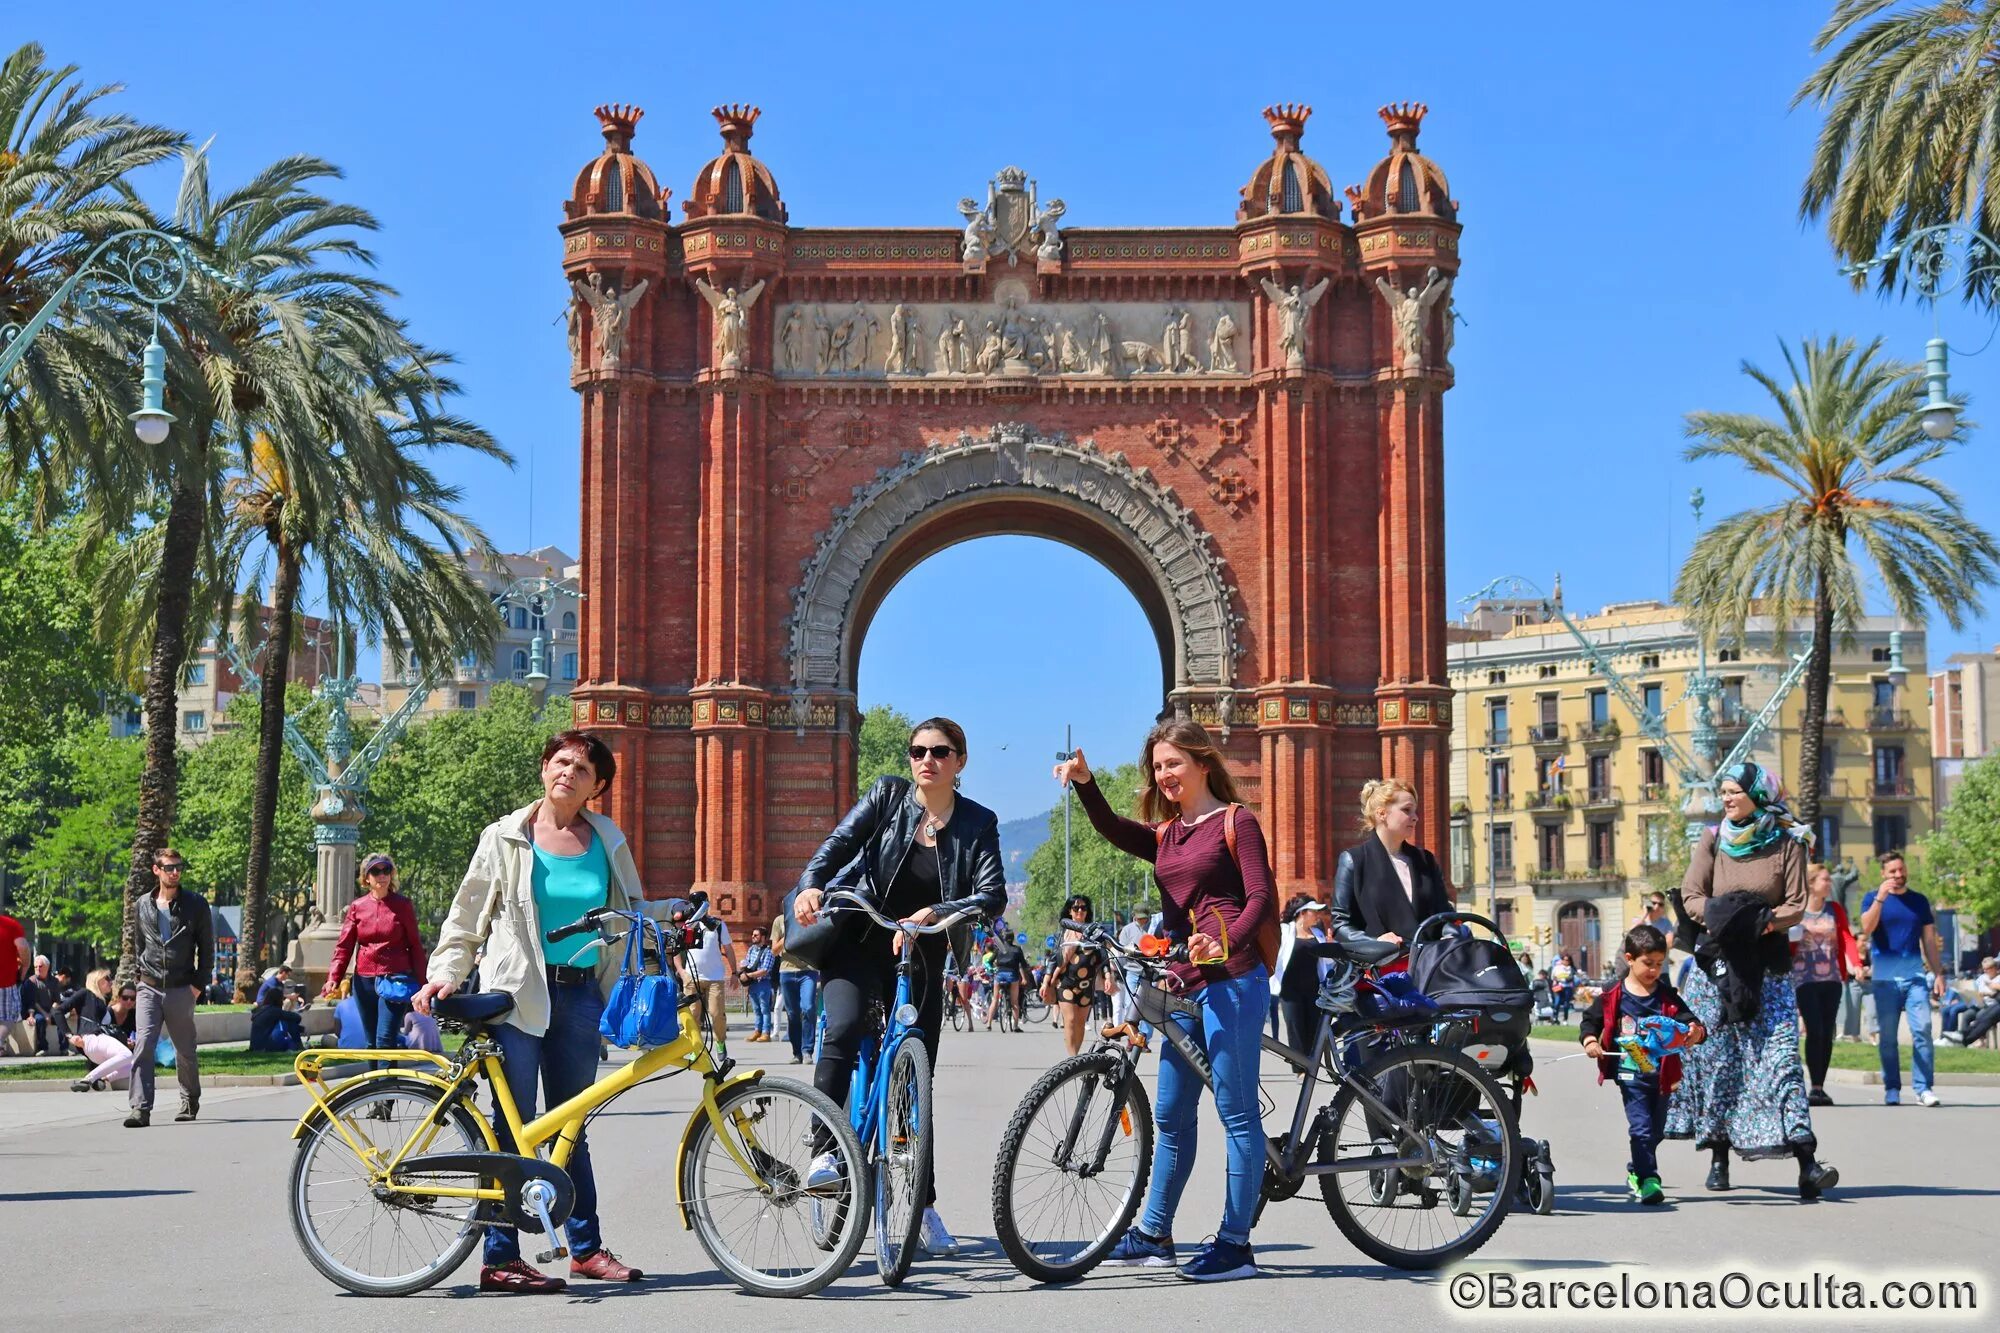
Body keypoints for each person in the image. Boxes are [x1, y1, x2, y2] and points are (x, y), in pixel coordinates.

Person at [413, 729, 652, 1294]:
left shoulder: (608, 840)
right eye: (561, 762)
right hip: (518, 994)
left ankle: (585, 1250)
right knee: (511, 1126)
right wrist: (445, 972)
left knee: (571, 1126)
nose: (569, 772)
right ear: (545, 768)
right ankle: (500, 1258)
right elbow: (468, 912)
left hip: (580, 995)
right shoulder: (505, 836)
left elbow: (633, 916)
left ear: (598, 786)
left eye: (583, 769)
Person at [1059, 719, 1275, 1284]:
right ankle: (1155, 1233)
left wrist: (1226, 940)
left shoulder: (1236, 822)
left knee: (1236, 1114)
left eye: (1173, 763)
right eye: (1157, 766)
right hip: (1181, 982)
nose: (1164, 774)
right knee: (1173, 1116)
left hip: (1231, 977)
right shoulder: (1166, 834)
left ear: (1203, 762)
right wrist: (1085, 782)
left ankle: (1235, 1245)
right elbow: (1110, 826)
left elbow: (1260, 896)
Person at [791, 715, 1007, 1260]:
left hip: (922, 950)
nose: (925, 760)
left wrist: (938, 910)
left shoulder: (979, 823)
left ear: (960, 761)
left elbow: (992, 894)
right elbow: (840, 843)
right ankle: (824, 1153)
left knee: (917, 1075)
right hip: (861, 935)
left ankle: (921, 1205)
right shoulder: (888, 796)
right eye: (917, 751)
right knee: (840, 1029)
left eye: (939, 751)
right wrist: (813, 883)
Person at [1663, 762, 1837, 1200]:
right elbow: (1691, 895)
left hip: (1768, 967)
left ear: (1758, 793)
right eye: (1722, 791)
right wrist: (1727, 919)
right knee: (1719, 1061)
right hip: (1717, 968)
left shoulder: (1788, 840)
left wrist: (1757, 924)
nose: (1726, 798)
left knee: (1781, 1062)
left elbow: (1796, 904)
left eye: (1734, 791)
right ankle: (1718, 1154)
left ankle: (1807, 1162)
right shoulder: (1713, 838)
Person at [1579, 924, 1705, 1205]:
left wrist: (1695, 1031)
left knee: (1656, 1130)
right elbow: (1590, 1021)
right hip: (1630, 1073)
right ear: (1630, 958)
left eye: (1660, 964)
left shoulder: (1666, 995)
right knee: (1641, 1128)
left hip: (1663, 1074)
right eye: (1648, 963)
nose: (1654, 970)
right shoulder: (1614, 994)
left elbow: (1691, 1021)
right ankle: (1649, 1180)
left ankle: (1636, 1170)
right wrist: (1590, 1041)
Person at [126, 847, 212, 1128]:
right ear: (156, 870)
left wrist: (197, 985)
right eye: (169, 868)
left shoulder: (196, 904)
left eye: (179, 867)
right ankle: (140, 1108)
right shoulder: (142, 905)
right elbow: (138, 944)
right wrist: (138, 977)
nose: (175, 872)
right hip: (148, 986)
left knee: (184, 1049)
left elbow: (207, 949)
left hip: (181, 987)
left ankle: (189, 1099)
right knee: (144, 1045)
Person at [322, 853, 428, 1073]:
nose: (382, 876)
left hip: (395, 980)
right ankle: (374, 1095)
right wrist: (334, 977)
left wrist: (424, 984)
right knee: (371, 1043)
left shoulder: (402, 905)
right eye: (376, 871)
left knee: (385, 1039)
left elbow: (416, 946)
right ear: (366, 878)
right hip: (364, 981)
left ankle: (386, 1101)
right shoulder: (357, 907)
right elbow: (344, 946)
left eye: (386, 870)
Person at [1859, 850, 1946, 1107]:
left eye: (1901, 870)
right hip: (1884, 980)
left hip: (1915, 978)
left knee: (1923, 1029)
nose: (1898, 875)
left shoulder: (1919, 901)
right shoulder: (1871, 898)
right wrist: (1880, 899)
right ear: (1883, 874)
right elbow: (1866, 928)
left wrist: (1938, 972)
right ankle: (1892, 1087)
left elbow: (1929, 940)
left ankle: (1923, 1088)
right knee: (1887, 1037)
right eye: (1893, 871)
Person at [1792, 864, 1858, 1106]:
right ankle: (1812, 1086)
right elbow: (1788, 944)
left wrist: (1855, 962)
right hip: (1804, 978)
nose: (1830, 884)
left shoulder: (1835, 909)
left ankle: (1819, 1087)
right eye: (1825, 880)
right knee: (1815, 1028)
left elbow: (1846, 937)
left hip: (1831, 979)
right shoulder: (1797, 911)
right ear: (1810, 883)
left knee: (1827, 1032)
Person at [1274, 894, 1340, 1055]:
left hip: (1314, 990)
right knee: (1295, 1027)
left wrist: (1332, 947)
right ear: (1302, 913)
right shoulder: (1285, 931)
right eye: (1313, 912)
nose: (1317, 915)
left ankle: (1311, 1064)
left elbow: (1328, 962)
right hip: (1290, 991)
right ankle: (1299, 1067)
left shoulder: (1318, 934)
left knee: (1314, 1028)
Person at [1053, 895, 1107, 1056]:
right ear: (1069, 911)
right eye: (1076, 908)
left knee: (1080, 1023)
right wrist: (1047, 980)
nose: (1080, 911)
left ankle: (1075, 1056)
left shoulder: (1094, 931)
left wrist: (1108, 976)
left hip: (1086, 985)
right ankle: (1072, 1058)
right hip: (1066, 983)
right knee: (1069, 1020)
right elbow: (1054, 959)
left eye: (1083, 908)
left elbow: (1103, 956)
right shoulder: (1063, 933)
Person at [683, 906, 738, 1057]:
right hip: (692, 977)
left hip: (715, 977)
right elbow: (676, 949)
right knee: (693, 1014)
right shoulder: (688, 925)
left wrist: (734, 972)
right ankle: (696, 1048)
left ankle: (720, 1041)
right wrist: (682, 973)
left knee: (716, 1013)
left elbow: (729, 949)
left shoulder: (718, 925)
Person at [68, 982, 139, 1092]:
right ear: (119, 998)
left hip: (116, 1054)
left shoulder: (133, 1015)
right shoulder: (108, 1012)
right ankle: (87, 1079)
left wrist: (131, 1042)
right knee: (126, 1054)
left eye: (132, 998)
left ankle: (103, 1079)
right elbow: (101, 1034)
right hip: (98, 1049)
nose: (129, 1001)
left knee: (137, 1064)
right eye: (125, 998)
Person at [771, 911, 818, 1065]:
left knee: (808, 1008)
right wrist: (790, 932)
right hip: (787, 972)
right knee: (792, 1014)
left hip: (808, 970)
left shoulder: (811, 917)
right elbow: (774, 950)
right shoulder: (779, 921)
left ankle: (807, 1051)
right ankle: (796, 1052)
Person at [53, 966, 112, 1054]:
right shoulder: (85, 993)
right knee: (124, 1055)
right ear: (97, 981)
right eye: (107, 978)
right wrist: (70, 1036)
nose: (111, 982)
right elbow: (58, 1011)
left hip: (101, 1039)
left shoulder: (103, 1000)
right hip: (90, 1038)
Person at [985, 924, 1028, 1030]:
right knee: (1014, 1002)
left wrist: (993, 969)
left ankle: (989, 1024)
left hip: (999, 975)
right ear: (1012, 938)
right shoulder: (1017, 950)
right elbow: (1023, 964)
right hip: (1012, 976)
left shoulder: (998, 949)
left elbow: (989, 961)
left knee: (995, 999)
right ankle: (1016, 1025)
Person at [740, 926, 776, 1043]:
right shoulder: (751, 949)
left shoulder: (768, 951)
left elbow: (765, 970)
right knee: (756, 1009)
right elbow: (748, 963)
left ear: (763, 937)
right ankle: (757, 1031)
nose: (753, 937)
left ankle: (766, 1033)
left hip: (763, 983)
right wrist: (742, 970)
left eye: (756, 935)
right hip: (753, 984)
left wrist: (749, 976)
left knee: (765, 1009)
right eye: (753, 935)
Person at [20, 955, 62, 1055]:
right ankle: (43, 1048)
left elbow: (57, 1000)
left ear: (47, 967)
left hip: (51, 1010)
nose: (38, 969)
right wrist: (45, 1015)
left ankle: (64, 1048)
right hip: (37, 1011)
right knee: (40, 1020)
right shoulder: (31, 982)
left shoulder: (54, 981)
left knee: (61, 1019)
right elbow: (32, 1002)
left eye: (40, 966)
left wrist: (51, 1013)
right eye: (35, 967)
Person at [0, 910, 25, 1046]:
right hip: (5, 983)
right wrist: (25, 965)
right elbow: (23, 946)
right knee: (8, 1017)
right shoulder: (11, 926)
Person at [1551, 953, 1577, 1022]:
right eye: (1564, 959)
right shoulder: (1557, 967)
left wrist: (1562, 979)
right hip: (1558, 987)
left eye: (1567, 960)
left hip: (1567, 988)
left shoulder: (1571, 969)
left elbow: (1571, 978)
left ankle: (1565, 1019)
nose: (1565, 961)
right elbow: (1553, 977)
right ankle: (1555, 1018)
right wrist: (1556, 980)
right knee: (1557, 1002)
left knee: (1566, 1004)